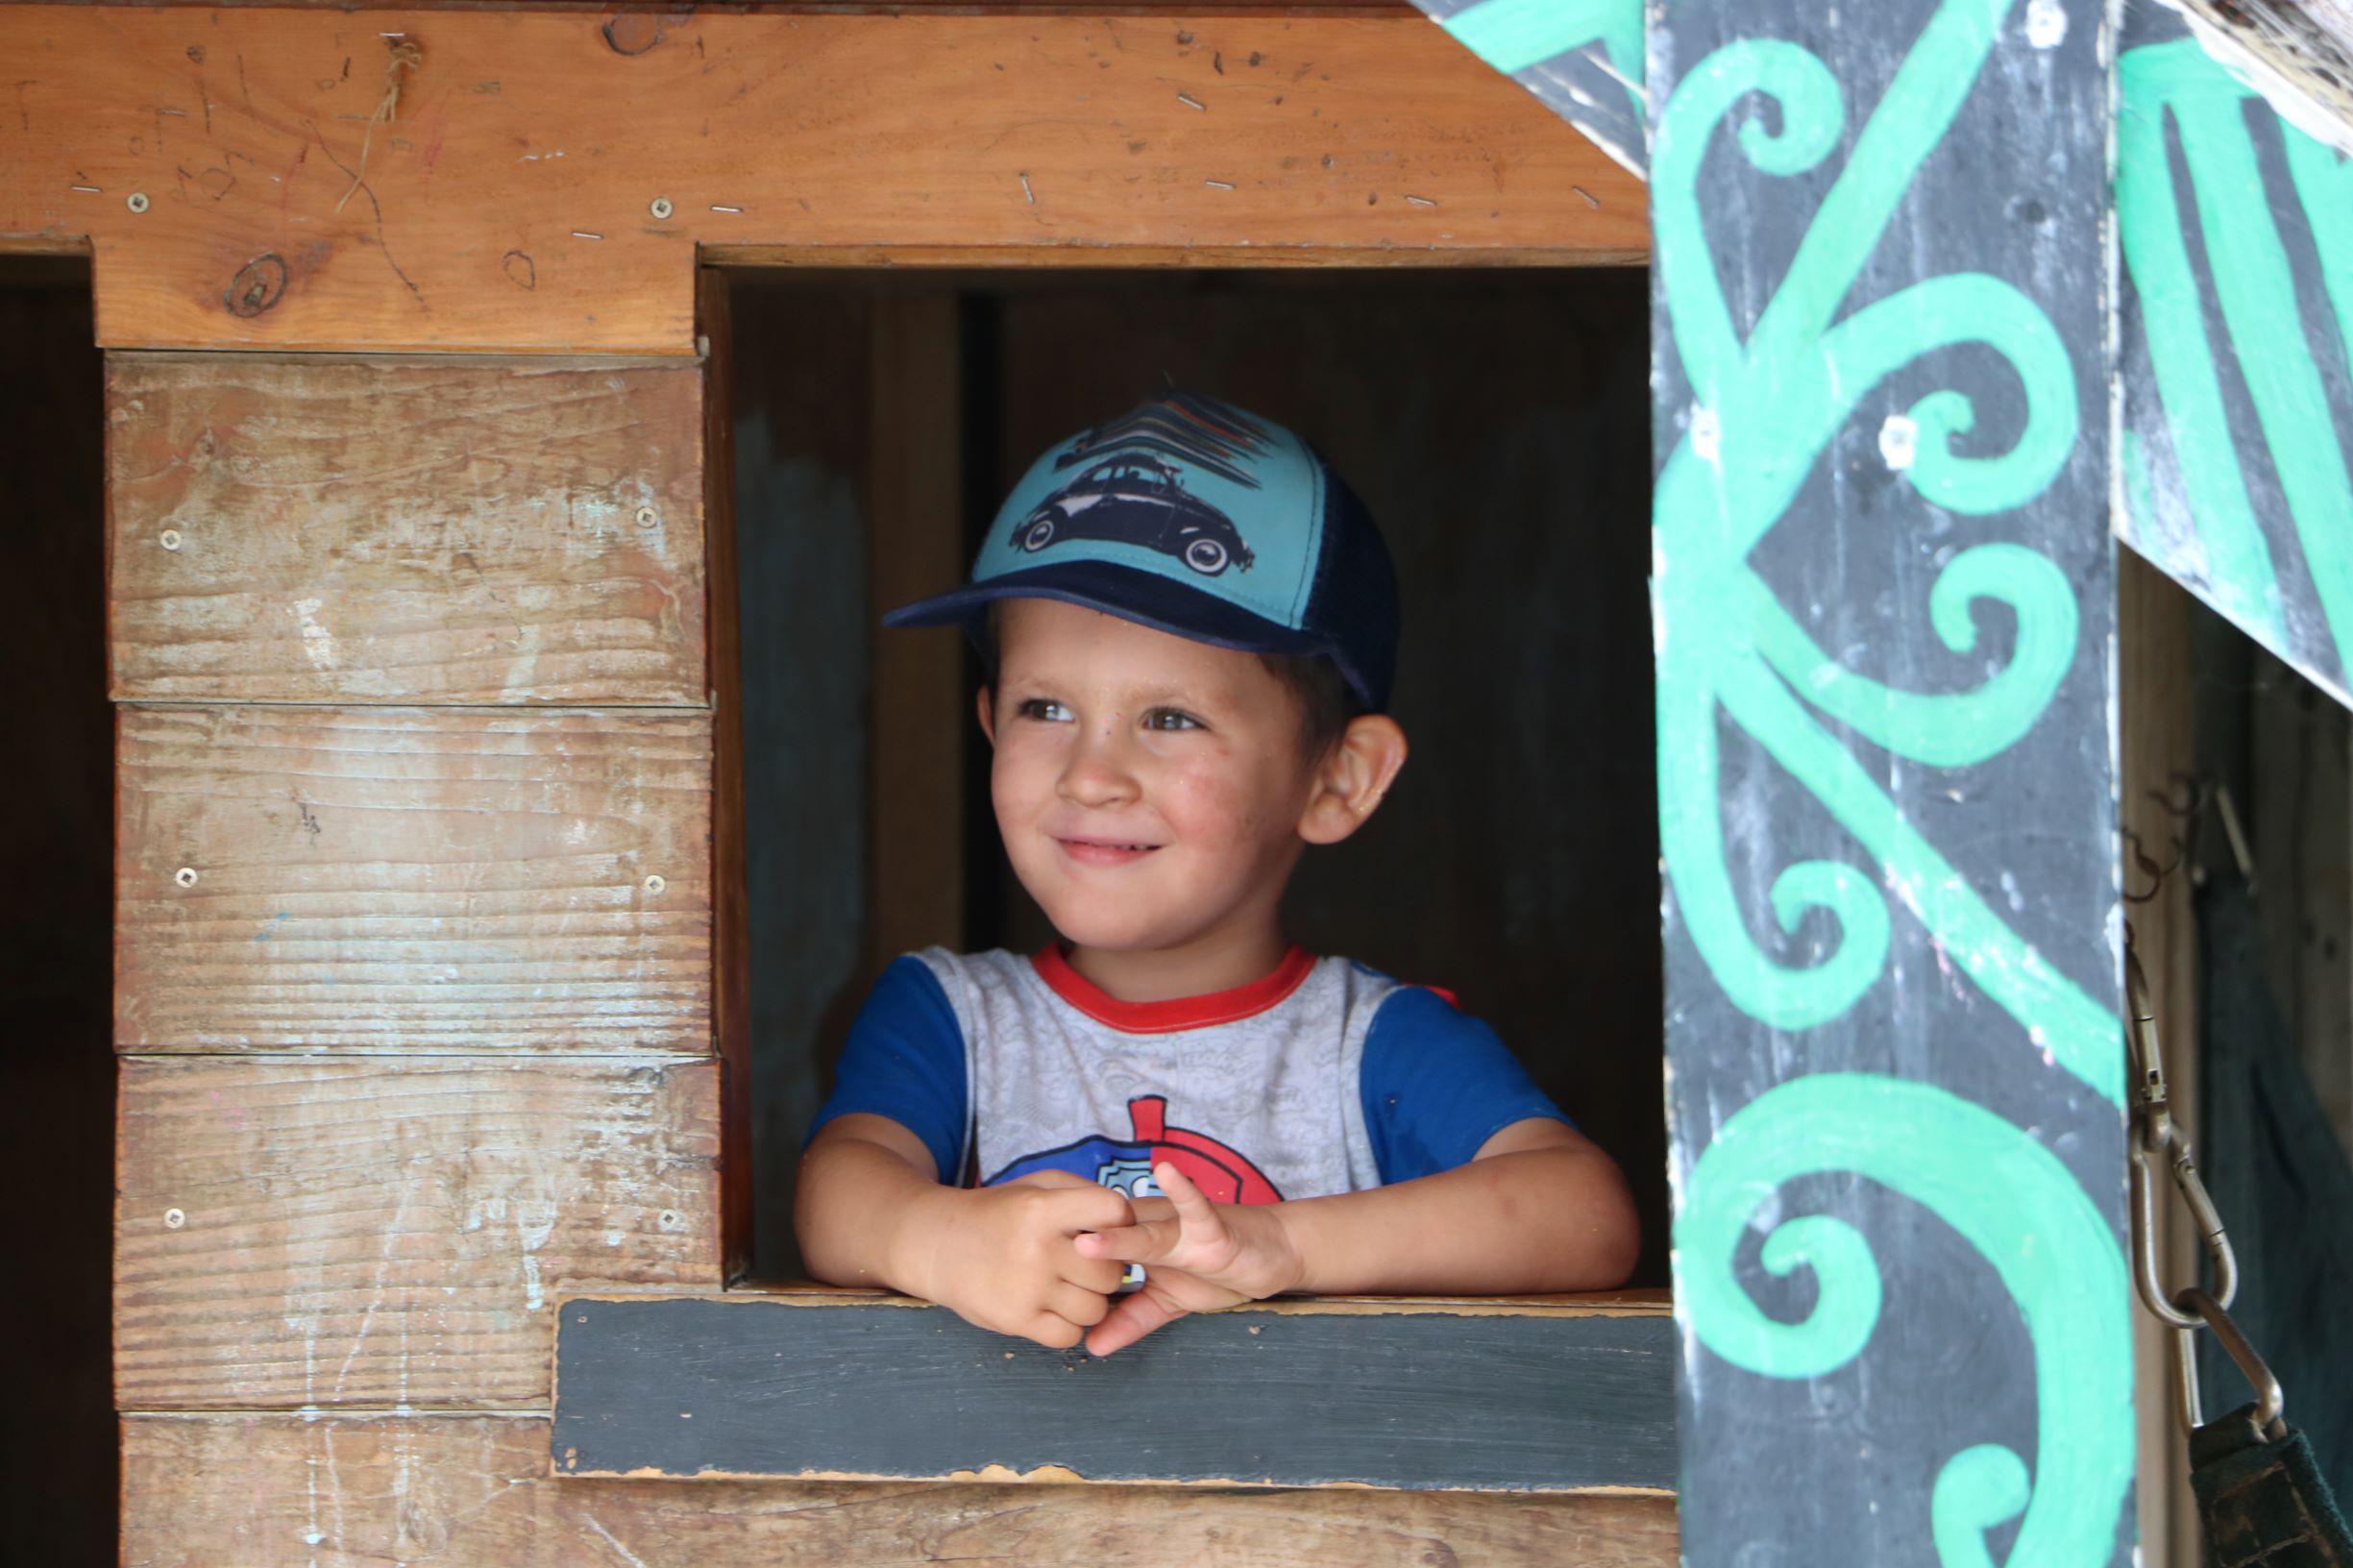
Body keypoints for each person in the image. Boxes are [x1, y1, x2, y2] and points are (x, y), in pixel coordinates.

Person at [794, 391, 1638, 1358]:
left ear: (1337, 780)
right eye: (1044, 709)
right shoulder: (950, 1016)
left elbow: (1585, 1218)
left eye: (1168, 719)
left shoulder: (1375, 1048)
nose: (1091, 775)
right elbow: (835, 1187)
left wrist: (1280, 1243)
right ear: (988, 724)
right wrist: (941, 1240)